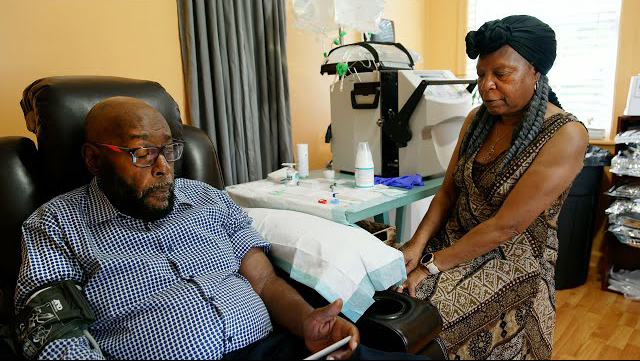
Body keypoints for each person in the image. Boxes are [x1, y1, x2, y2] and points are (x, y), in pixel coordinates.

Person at [15, 97, 425, 360]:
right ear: (93, 159)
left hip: (276, 349)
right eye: (142, 152)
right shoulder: (55, 226)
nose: (163, 168)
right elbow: (58, 336)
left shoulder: (206, 198)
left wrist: (307, 323)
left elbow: (263, 283)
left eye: (169, 150)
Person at [394, 15, 589, 360]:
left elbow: (507, 226)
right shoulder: (475, 120)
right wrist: (415, 245)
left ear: (536, 72)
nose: (486, 85)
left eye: (501, 74)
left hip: (513, 258)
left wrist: (429, 266)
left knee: (421, 318)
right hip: (452, 244)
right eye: (482, 74)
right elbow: (449, 192)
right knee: (388, 293)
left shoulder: (565, 134)